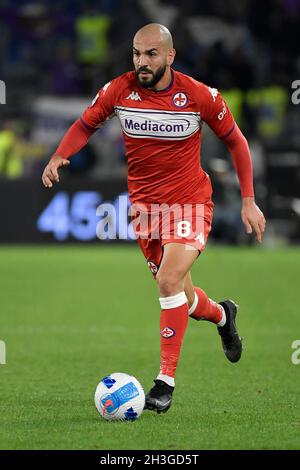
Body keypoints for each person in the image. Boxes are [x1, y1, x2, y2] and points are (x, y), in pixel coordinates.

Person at [42, 23, 266, 414]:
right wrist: (61, 154)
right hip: (146, 211)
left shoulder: (198, 96)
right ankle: (222, 314)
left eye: (150, 54)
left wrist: (249, 200)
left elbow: (236, 140)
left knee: (167, 281)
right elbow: (85, 124)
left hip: (191, 204)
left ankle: (164, 383)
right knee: (183, 296)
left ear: (169, 56)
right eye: (136, 54)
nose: (141, 62)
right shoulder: (120, 90)